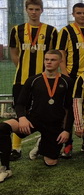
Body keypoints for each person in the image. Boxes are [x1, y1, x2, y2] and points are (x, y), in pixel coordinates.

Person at [0, 51, 73, 182]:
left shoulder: (67, 81)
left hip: (54, 125)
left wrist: (66, 130)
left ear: (60, 62)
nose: (49, 62)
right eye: (46, 59)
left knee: (51, 162)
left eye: (53, 60)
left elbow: (70, 108)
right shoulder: (33, 80)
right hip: (33, 120)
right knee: (2, 128)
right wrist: (22, 118)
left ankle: (42, 144)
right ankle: (5, 168)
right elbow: (20, 103)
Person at [8, 0, 58, 161]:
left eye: (37, 9)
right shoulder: (17, 30)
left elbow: (54, 54)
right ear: (26, 10)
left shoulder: (51, 31)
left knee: (45, 111)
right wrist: (22, 67)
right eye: (31, 9)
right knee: (20, 112)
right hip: (21, 80)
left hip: (44, 81)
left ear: (42, 10)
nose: (34, 12)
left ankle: (43, 142)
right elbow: (14, 53)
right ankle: (16, 148)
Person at [57, 2, 84, 158]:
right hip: (72, 76)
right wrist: (65, 74)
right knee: (69, 110)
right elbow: (61, 52)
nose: (82, 15)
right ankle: (67, 144)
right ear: (73, 14)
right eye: (79, 13)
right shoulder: (66, 31)